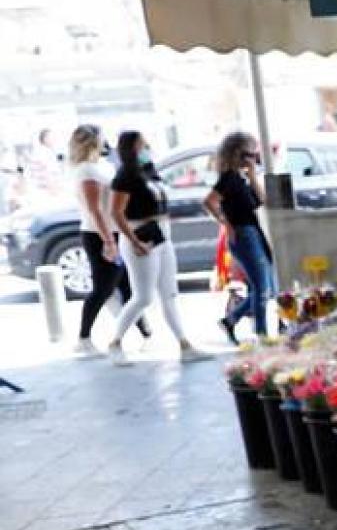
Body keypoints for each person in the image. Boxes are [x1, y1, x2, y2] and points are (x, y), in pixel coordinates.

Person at [104, 130, 204, 365]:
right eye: (142, 145)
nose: (146, 148)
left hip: (162, 235)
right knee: (143, 297)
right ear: (131, 149)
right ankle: (115, 342)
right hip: (140, 236)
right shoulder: (124, 176)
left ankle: (185, 345)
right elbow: (116, 212)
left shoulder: (149, 170)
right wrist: (134, 241)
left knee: (169, 293)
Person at [68, 125, 149, 354]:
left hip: (113, 232)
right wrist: (109, 241)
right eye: (101, 137)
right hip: (98, 235)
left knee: (126, 284)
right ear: (93, 141)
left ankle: (146, 332)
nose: (105, 141)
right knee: (103, 288)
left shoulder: (102, 166)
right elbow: (94, 210)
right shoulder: (85, 171)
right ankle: (83, 338)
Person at [203, 131, 275, 342]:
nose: (252, 159)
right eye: (248, 155)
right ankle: (261, 335)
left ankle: (231, 319)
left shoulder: (243, 178)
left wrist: (253, 176)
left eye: (254, 155)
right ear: (236, 154)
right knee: (261, 287)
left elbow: (262, 201)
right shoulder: (229, 178)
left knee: (265, 287)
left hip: (254, 231)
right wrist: (226, 224)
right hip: (243, 233)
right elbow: (209, 201)